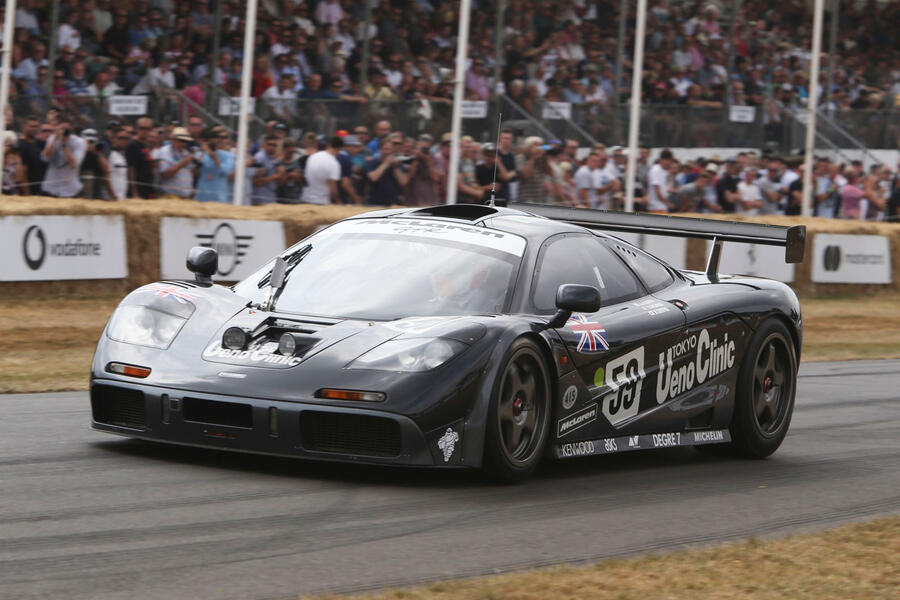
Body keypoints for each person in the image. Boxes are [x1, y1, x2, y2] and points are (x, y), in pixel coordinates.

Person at [40, 120, 87, 197]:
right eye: (60, 128)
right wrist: (55, 140)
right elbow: (45, 157)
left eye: (65, 129)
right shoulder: (51, 139)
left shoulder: (79, 142)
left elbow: (74, 164)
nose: (63, 131)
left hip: (70, 190)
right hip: (51, 188)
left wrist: (64, 144)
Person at [195, 129, 236, 203]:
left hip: (219, 199)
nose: (219, 141)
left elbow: (226, 172)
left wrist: (215, 158)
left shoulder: (229, 156)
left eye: (223, 138)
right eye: (216, 138)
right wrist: (203, 152)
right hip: (202, 198)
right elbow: (195, 170)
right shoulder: (200, 154)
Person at [366, 136, 409, 206]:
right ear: (380, 149)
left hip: (393, 204)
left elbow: (403, 183)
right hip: (374, 204)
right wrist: (386, 163)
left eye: (390, 149)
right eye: (385, 149)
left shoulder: (397, 164)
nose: (387, 152)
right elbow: (373, 178)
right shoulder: (373, 162)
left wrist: (396, 168)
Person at [301, 135, 342, 205]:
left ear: (328, 145)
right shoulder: (334, 164)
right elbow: (333, 190)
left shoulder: (312, 157)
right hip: (321, 202)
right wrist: (338, 202)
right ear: (340, 149)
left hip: (305, 200)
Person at [156, 127, 195, 198]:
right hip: (170, 195)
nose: (183, 143)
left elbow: (192, 172)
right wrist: (183, 163)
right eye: (180, 140)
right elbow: (165, 175)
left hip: (185, 196)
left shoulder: (185, 152)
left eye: (185, 141)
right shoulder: (165, 151)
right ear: (172, 140)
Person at [125, 117, 156, 199]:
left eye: (148, 128)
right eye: (142, 128)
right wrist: (134, 192)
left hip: (148, 188)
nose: (145, 131)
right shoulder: (132, 145)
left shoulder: (147, 144)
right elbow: (131, 169)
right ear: (137, 128)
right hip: (138, 191)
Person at [250, 135, 284, 205]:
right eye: (270, 144)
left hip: (270, 197)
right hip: (260, 199)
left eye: (275, 145)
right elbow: (256, 181)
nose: (272, 147)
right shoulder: (260, 157)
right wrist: (276, 176)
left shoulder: (272, 157)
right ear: (264, 145)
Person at [16, 117, 45, 195]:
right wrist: (28, 195)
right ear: (23, 127)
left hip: (39, 190)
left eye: (36, 126)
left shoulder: (38, 143)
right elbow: (22, 174)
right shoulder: (21, 145)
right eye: (31, 126)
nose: (34, 129)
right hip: (29, 192)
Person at [79, 128, 110, 199]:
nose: (90, 143)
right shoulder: (79, 150)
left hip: (96, 190)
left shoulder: (98, 151)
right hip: (82, 189)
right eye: (88, 141)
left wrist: (97, 153)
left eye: (92, 141)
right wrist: (84, 149)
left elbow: (107, 169)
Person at [276, 138, 303, 204]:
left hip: (295, 199)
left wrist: (299, 176)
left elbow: (303, 182)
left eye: (293, 152)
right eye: (290, 152)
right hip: (282, 199)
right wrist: (288, 176)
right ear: (284, 150)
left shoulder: (297, 162)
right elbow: (279, 184)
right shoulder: (277, 163)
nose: (291, 154)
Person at [647, 149, 674, 213]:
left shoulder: (663, 171)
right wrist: (668, 204)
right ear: (665, 160)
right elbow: (658, 192)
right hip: (656, 208)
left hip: (662, 208)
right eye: (670, 162)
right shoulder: (656, 170)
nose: (670, 164)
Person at [106, 126, 129, 200]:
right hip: (111, 199)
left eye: (126, 138)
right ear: (113, 138)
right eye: (121, 138)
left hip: (122, 198)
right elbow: (105, 177)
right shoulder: (108, 154)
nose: (124, 141)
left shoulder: (123, 154)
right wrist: (113, 196)